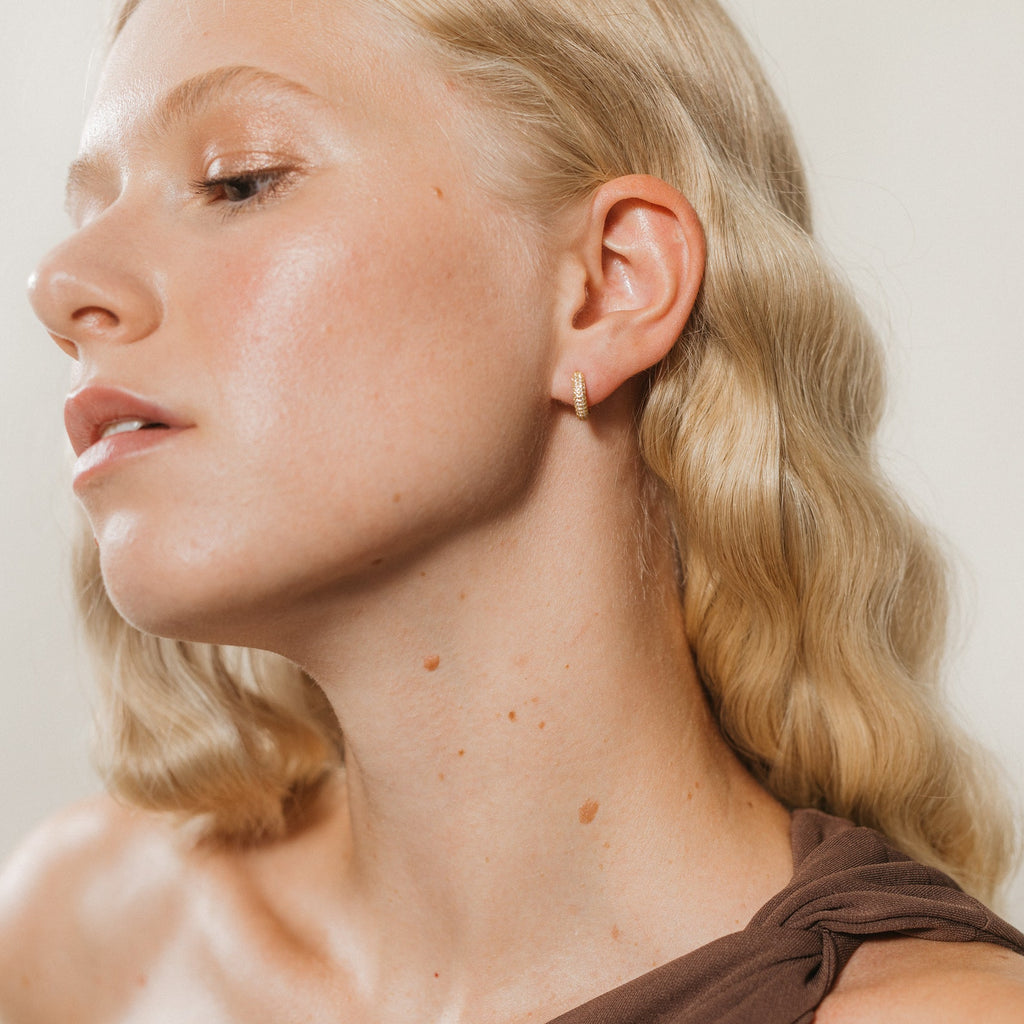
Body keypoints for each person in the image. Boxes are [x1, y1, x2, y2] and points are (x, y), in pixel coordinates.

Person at [2, 0, 1023, 1020]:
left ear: (608, 286)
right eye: (90, 210)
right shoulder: (88, 938)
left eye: (241, 179)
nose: (59, 284)